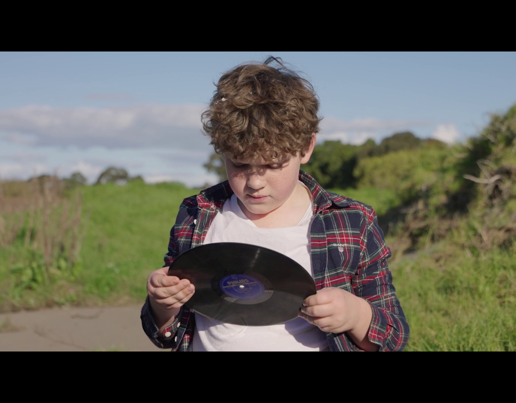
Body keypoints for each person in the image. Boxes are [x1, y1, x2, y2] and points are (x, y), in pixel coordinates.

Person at [140, 56, 409, 351]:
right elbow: (165, 332)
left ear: (306, 147)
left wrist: (356, 315)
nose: (255, 182)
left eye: (273, 164)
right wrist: (162, 303)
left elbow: (394, 337)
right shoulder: (197, 214)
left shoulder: (353, 222)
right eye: (239, 164)